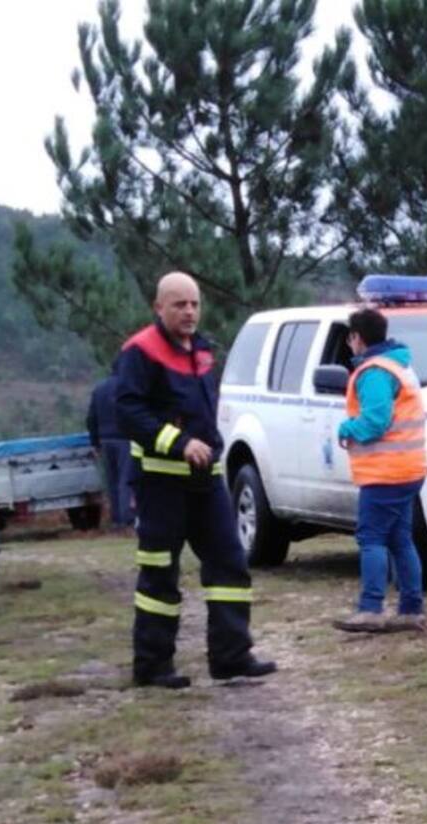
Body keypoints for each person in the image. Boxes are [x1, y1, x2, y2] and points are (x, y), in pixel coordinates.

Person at [115, 272, 276, 688]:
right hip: (159, 484)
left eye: (194, 304)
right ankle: (152, 667)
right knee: (159, 575)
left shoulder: (202, 350)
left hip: (206, 484)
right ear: (159, 308)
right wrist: (180, 443)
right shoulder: (139, 352)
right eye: (179, 304)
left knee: (230, 564)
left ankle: (231, 657)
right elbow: (130, 413)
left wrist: (212, 443)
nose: (189, 312)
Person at [332, 308, 427, 633]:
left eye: (350, 338)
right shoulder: (400, 365)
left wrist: (346, 429)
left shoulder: (373, 372)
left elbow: (375, 421)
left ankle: (371, 608)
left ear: (356, 338)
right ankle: (411, 609)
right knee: (400, 538)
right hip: (409, 469)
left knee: (371, 538)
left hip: (385, 472)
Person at [86, 369, 135, 528]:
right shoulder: (128, 387)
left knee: (112, 481)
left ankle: (116, 519)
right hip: (124, 439)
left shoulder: (99, 388)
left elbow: (91, 418)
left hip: (105, 440)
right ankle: (126, 519)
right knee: (125, 480)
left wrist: (95, 442)